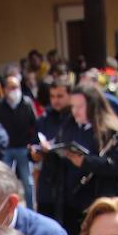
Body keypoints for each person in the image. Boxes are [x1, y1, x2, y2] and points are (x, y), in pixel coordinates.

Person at [54, 84, 118, 235]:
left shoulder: (111, 130)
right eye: (73, 107)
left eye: (80, 107)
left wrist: (87, 162)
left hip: (103, 200)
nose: (76, 112)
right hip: (75, 203)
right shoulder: (69, 127)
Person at [32, 78, 76, 220]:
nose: (56, 100)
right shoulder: (44, 119)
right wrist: (35, 153)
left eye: (60, 96)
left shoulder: (76, 117)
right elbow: (33, 144)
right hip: (49, 182)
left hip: (71, 182)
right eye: (52, 96)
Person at [0, 75, 36, 210]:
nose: (14, 90)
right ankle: (6, 209)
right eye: (11, 87)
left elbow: (34, 125)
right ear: (5, 89)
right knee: (3, 181)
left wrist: (32, 143)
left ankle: (30, 210)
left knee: (27, 182)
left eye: (16, 87)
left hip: (23, 148)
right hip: (6, 149)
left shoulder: (27, 103)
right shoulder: (0, 106)